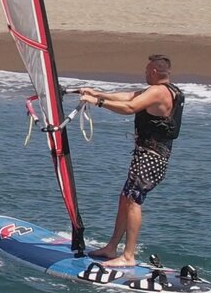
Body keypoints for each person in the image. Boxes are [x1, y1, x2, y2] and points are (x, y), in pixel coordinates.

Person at [77, 54, 185, 268]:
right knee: (125, 198)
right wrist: (98, 93)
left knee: (134, 200)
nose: (144, 73)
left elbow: (129, 108)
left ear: (154, 71)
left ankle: (128, 256)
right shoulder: (169, 90)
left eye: (146, 70)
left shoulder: (157, 92)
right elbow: (129, 96)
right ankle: (111, 248)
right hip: (153, 156)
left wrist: (98, 102)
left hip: (150, 157)